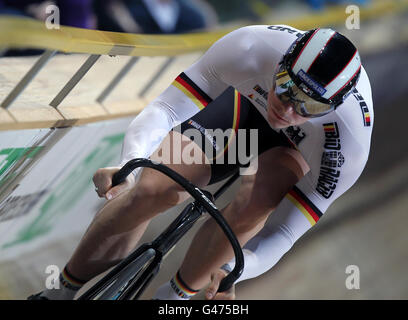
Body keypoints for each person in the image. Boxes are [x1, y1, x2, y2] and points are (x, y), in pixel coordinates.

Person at [28, 24, 373, 300]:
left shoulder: (348, 143)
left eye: (307, 107)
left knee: (257, 202)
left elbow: (284, 230)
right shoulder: (252, 47)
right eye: (284, 87)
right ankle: (59, 292)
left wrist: (240, 269)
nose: (285, 109)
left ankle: (173, 299)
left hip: (294, 148)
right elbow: (165, 109)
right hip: (245, 109)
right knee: (153, 189)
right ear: (280, 64)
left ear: (331, 109)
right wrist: (130, 166)